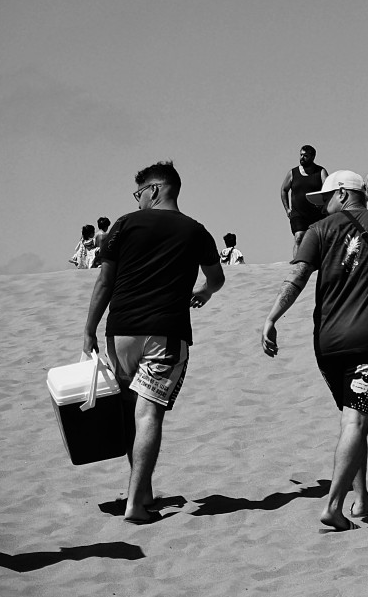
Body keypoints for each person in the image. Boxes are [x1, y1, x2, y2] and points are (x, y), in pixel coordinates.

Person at [261, 170, 368, 532]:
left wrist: (271, 317)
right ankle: (334, 506)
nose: (322, 205)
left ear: (343, 194)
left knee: (351, 420)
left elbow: (296, 277)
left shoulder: (318, 231)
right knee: (357, 421)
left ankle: (362, 499)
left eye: (325, 198)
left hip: (327, 344)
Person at [81, 161, 225, 524]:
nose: (139, 199)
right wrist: (204, 292)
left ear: (156, 189)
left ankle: (140, 492)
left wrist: (88, 329)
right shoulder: (196, 231)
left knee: (131, 412)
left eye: (140, 192)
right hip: (166, 333)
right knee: (148, 414)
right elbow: (217, 277)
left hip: (122, 333)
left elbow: (104, 282)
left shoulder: (125, 224)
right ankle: (136, 501)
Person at [280, 146, 328, 255]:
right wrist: (287, 209)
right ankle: (297, 264)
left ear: (312, 157)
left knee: (318, 241)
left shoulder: (321, 172)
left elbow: (328, 190)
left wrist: (324, 205)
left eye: (305, 156)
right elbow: (284, 190)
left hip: (317, 214)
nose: (302, 158)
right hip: (298, 213)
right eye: (301, 155)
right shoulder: (293, 172)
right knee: (299, 237)